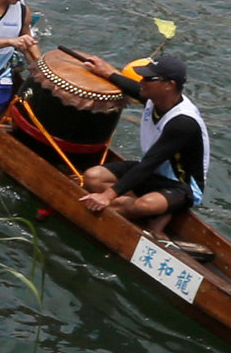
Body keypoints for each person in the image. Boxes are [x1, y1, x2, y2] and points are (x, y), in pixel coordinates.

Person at [80, 55, 209, 230]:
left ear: (168, 85)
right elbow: (128, 85)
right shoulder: (154, 97)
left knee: (146, 205)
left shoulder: (183, 122)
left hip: (181, 186)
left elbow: (149, 163)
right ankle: (152, 215)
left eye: (149, 78)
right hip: (153, 175)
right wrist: (106, 71)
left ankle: (144, 210)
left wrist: (108, 196)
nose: (142, 81)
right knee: (92, 177)